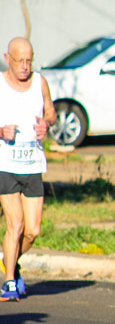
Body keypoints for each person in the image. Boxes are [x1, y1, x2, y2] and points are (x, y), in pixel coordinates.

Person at [0, 37, 57, 302]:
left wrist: (47, 123)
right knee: (16, 224)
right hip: (6, 165)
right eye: (20, 60)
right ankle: (9, 281)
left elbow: (51, 111)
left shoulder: (40, 83)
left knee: (33, 230)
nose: (25, 66)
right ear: (7, 58)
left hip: (33, 164)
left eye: (29, 60)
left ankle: (8, 260)